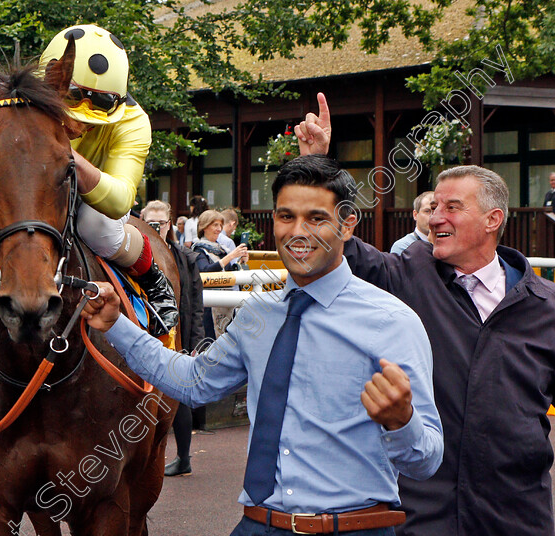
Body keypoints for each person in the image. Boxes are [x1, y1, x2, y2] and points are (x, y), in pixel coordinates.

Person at [82, 154, 442, 536]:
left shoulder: (392, 321)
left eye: (316, 218)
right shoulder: (261, 313)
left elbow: (427, 460)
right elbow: (195, 382)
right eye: (286, 216)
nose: (298, 231)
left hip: (355, 528)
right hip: (256, 524)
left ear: (348, 224)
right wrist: (115, 324)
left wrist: (402, 422)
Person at [295, 94, 555, 535]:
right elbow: (339, 248)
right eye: (434, 207)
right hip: (421, 514)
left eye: (451, 207)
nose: (435, 217)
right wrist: (318, 168)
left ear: (493, 219)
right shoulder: (409, 275)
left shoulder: (550, 307)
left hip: (515, 517)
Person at [0, 24, 177, 337]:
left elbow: (120, 200)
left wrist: (66, 156)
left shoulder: (134, 122)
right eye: (72, 108)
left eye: (94, 118)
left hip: (98, 200)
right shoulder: (3, 110)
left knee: (96, 227)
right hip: (35, 197)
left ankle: (154, 280)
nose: (80, 123)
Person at [142, 200, 205, 477]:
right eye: (150, 224)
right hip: (144, 336)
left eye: (161, 223)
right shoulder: (129, 255)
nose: (156, 228)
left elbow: (196, 303)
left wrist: (195, 343)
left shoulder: (186, 258)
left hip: (177, 335)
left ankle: (183, 457)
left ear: (171, 224)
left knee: (177, 395)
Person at [192, 210, 249, 340]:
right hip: (208, 306)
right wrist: (231, 256)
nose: (219, 229)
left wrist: (241, 261)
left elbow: (229, 272)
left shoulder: (222, 249)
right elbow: (205, 270)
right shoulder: (198, 249)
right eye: (215, 225)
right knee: (210, 341)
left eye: (220, 225)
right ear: (204, 227)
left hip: (226, 304)